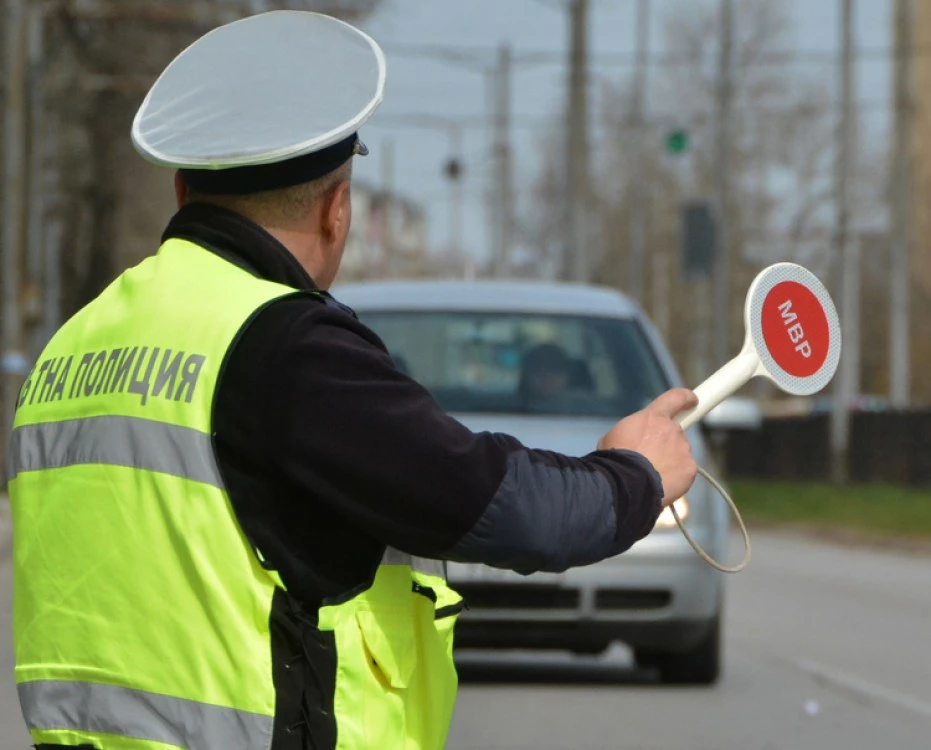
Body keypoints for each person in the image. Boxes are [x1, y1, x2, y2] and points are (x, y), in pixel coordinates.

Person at [6, 11, 698, 750]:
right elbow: (502, 507)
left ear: (182, 193)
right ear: (338, 211)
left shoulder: (71, 347)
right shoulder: (282, 346)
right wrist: (634, 475)